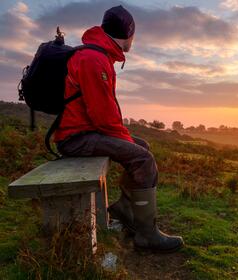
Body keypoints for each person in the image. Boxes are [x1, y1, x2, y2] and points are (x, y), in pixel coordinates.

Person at [54, 5, 184, 253]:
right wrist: (125, 139)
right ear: (128, 33)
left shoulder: (99, 55)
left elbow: (103, 114)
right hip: (77, 137)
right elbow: (103, 116)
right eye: (134, 35)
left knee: (142, 146)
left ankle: (125, 210)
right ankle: (147, 236)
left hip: (85, 131)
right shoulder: (94, 59)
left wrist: (127, 140)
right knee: (143, 158)